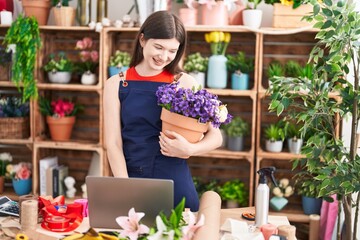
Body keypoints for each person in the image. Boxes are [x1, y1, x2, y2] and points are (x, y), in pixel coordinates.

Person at [103, 10, 222, 211]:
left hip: (175, 181)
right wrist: (125, 187)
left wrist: (190, 149)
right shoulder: (116, 84)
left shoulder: (184, 82)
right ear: (142, 40)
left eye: (172, 51)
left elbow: (216, 136)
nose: (163, 56)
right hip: (131, 179)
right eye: (158, 47)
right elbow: (113, 144)